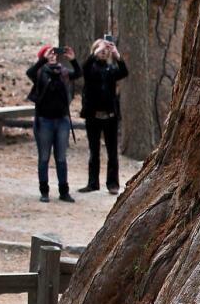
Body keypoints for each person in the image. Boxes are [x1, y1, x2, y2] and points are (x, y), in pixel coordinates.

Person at [26, 44, 80, 203]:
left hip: (62, 120)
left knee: (61, 158)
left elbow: (78, 73)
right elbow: (29, 73)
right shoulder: (40, 72)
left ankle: (64, 191)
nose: (53, 55)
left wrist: (73, 59)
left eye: (54, 53)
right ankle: (44, 191)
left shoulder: (63, 72)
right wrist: (43, 60)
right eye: (49, 53)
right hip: (44, 121)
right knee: (44, 157)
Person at [79, 37, 129, 194]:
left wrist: (117, 55)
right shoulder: (90, 69)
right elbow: (84, 68)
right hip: (93, 116)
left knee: (112, 152)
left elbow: (124, 72)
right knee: (94, 152)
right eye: (102, 50)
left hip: (110, 117)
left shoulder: (111, 70)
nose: (104, 52)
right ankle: (93, 183)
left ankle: (113, 184)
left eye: (106, 50)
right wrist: (96, 51)